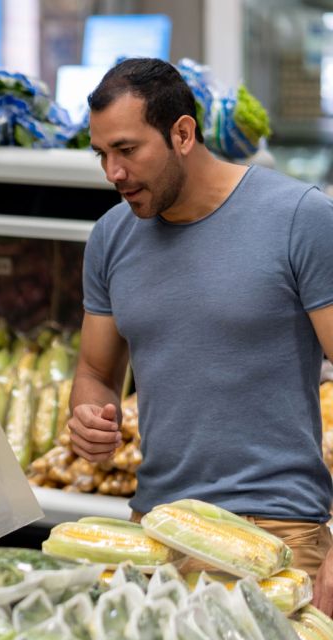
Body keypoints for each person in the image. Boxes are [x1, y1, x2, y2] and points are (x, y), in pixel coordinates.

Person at [67, 57, 333, 608]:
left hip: (278, 535)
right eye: (102, 155)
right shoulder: (111, 237)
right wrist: (90, 417)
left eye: (127, 149)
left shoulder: (300, 217)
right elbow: (95, 372)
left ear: (182, 133)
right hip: (156, 533)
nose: (113, 173)